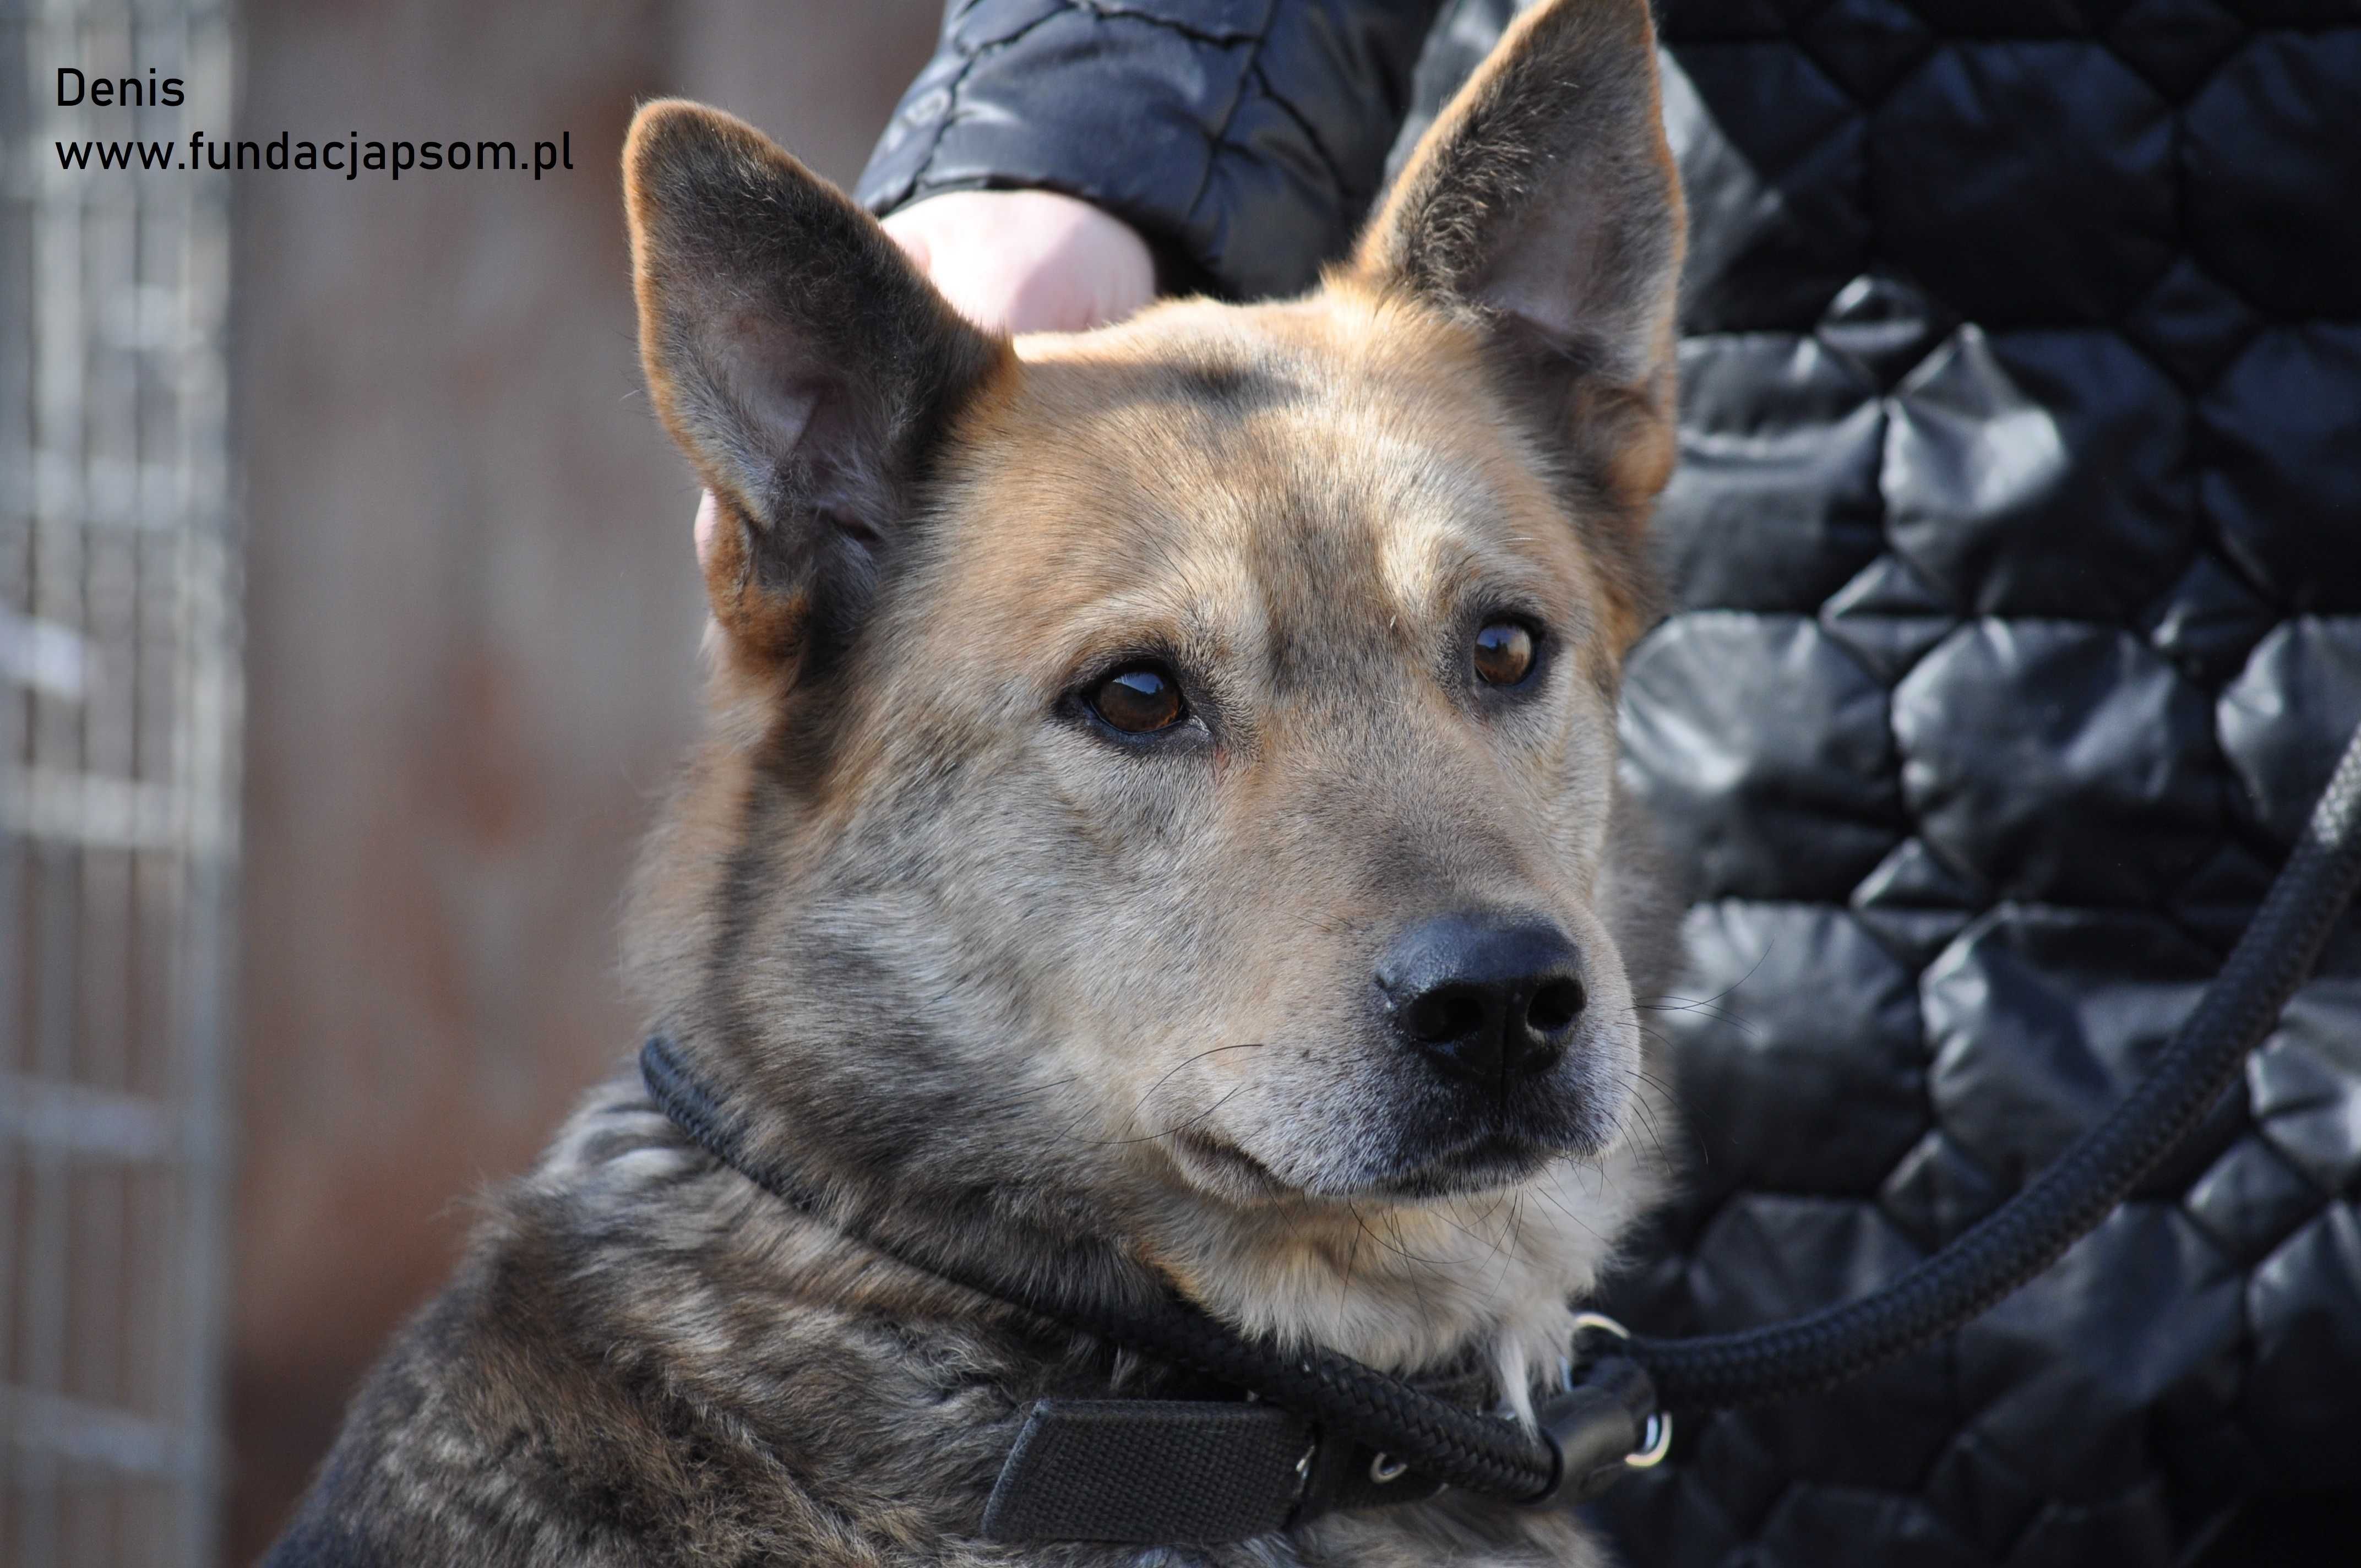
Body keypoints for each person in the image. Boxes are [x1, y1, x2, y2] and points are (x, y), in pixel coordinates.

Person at [708, 3, 2361, 1561]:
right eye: (1145, 695)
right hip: (1826, 932)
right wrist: (1077, 126)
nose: (1471, 935)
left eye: (1497, 656)